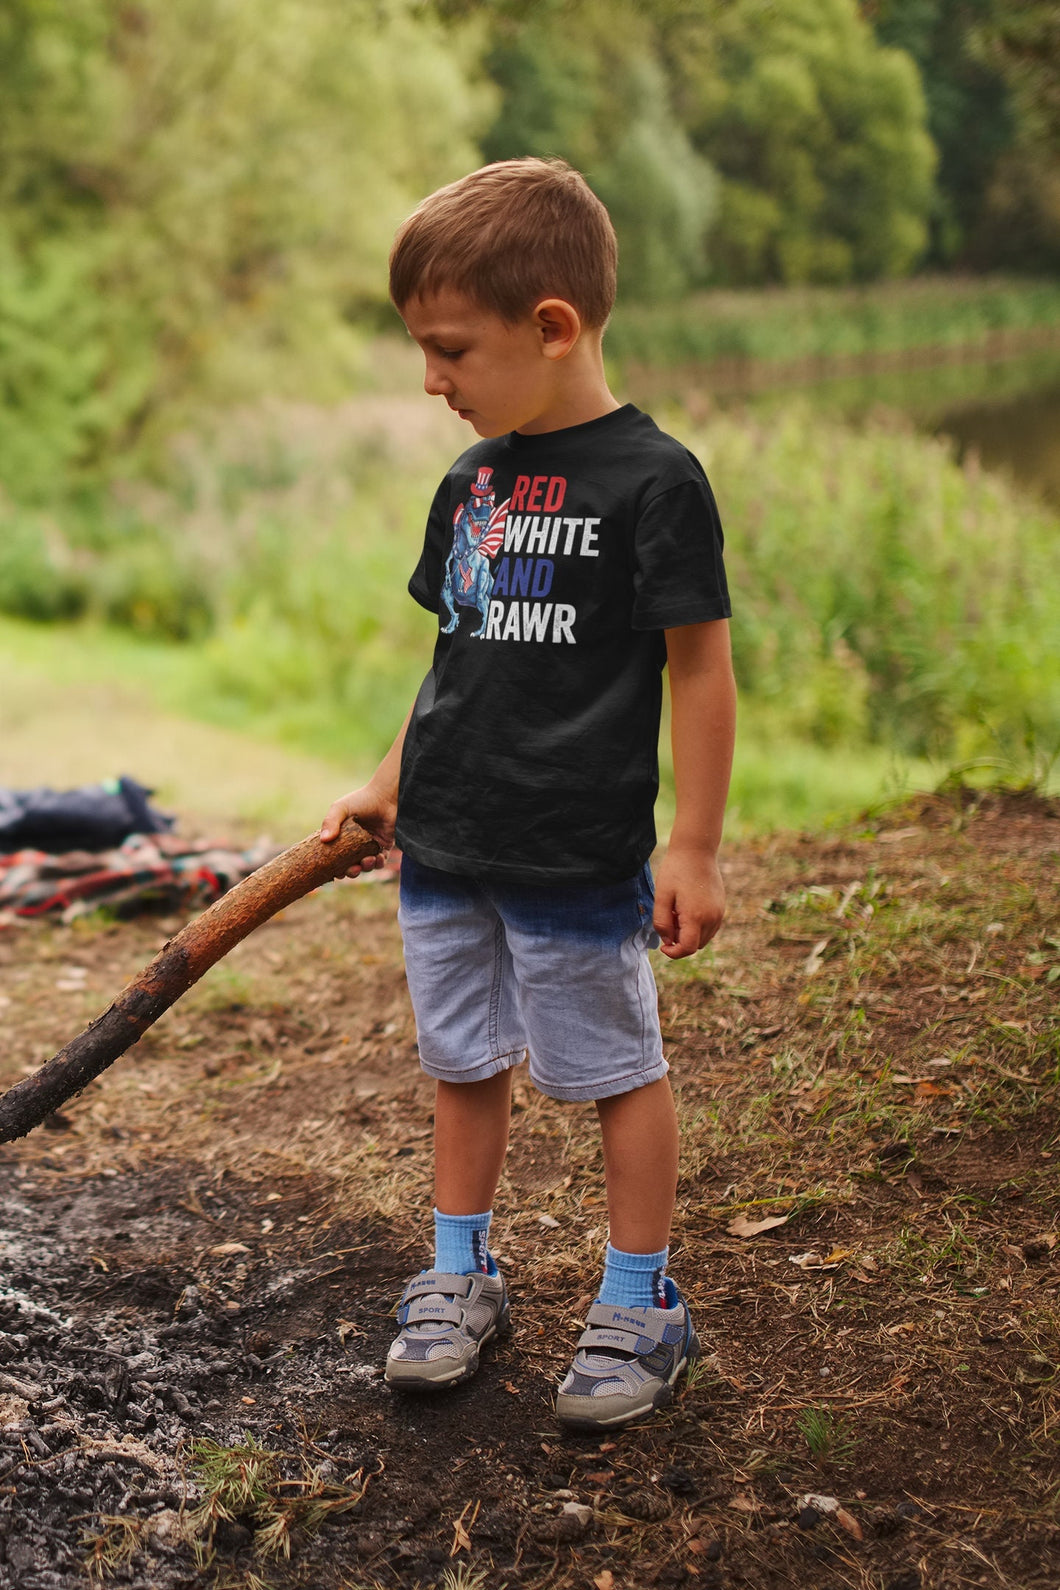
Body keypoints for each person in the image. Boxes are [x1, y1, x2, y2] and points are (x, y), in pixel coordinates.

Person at [320, 157, 735, 1432]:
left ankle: (639, 1298)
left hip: (574, 848)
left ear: (552, 326)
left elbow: (701, 667)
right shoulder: (473, 485)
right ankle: (458, 1277)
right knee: (460, 1058)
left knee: (611, 1068)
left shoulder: (654, 481)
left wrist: (696, 847)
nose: (431, 380)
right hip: (449, 840)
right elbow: (452, 650)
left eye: (450, 350)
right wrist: (388, 785)